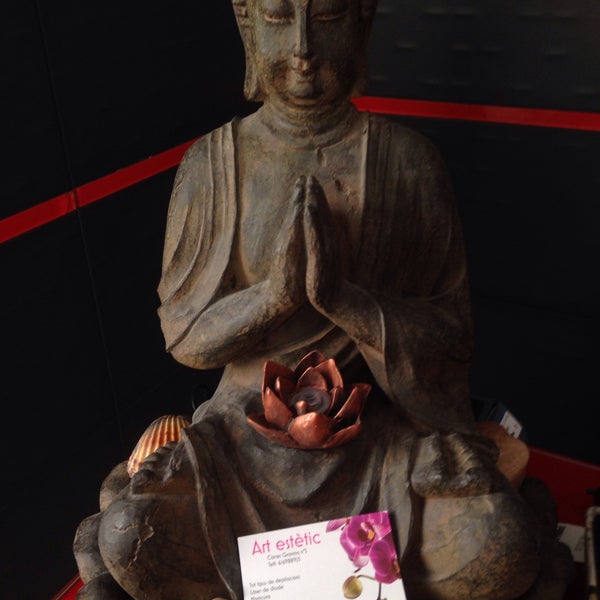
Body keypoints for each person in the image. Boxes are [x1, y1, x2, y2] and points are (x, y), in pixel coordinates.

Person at [75, 1, 543, 598]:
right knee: (128, 536)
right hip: (241, 442)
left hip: (379, 437)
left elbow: (451, 337)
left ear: (362, 21)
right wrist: (275, 296)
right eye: (277, 16)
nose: (302, 47)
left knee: (500, 544)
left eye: (325, 17)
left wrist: (343, 300)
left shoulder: (407, 161)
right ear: (247, 24)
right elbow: (186, 337)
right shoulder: (212, 164)